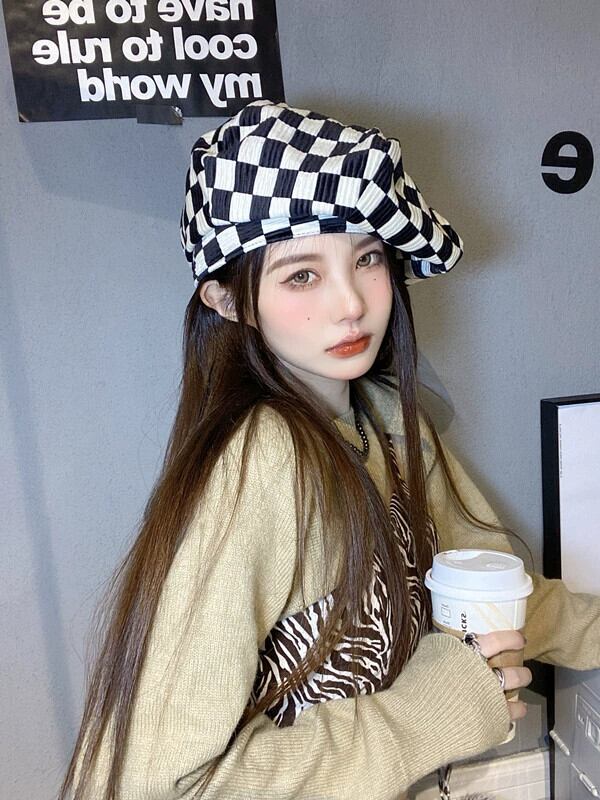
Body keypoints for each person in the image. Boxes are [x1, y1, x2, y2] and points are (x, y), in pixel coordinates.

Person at [59, 99, 600, 800]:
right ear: (229, 301)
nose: (351, 304)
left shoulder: (387, 419)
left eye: (368, 258)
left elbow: (492, 587)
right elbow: (166, 786)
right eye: (302, 275)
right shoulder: (263, 463)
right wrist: (426, 716)